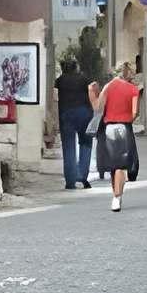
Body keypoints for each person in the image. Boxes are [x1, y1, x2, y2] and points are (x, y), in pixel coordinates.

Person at [90, 60, 141, 212]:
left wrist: (92, 94)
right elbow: (134, 112)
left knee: (115, 165)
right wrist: (127, 119)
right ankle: (117, 198)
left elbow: (98, 108)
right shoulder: (133, 89)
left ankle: (116, 194)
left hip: (109, 127)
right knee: (121, 166)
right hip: (124, 127)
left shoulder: (108, 86)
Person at [56, 57, 95, 189]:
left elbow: (55, 98)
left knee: (68, 147)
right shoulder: (84, 79)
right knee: (86, 143)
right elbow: (92, 95)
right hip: (84, 113)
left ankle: (70, 181)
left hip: (66, 115)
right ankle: (82, 175)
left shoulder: (60, 81)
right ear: (76, 67)